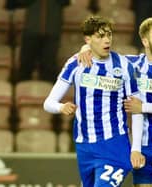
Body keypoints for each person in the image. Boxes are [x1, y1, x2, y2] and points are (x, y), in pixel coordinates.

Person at [79, 17, 152, 187]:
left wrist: (143, 107)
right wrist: (85, 48)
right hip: (141, 148)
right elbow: (102, 50)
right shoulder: (132, 64)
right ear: (145, 41)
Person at [43, 16, 145, 187]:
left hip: (114, 144)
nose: (107, 40)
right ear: (88, 39)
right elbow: (48, 103)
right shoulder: (76, 64)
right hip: (85, 146)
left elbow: (137, 109)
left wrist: (136, 148)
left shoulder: (124, 65)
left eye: (109, 35)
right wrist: (62, 107)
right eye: (100, 36)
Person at [5, 0, 71, 82]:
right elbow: (11, 4)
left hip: (52, 30)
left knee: (49, 68)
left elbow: (66, 2)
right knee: (25, 66)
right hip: (31, 29)